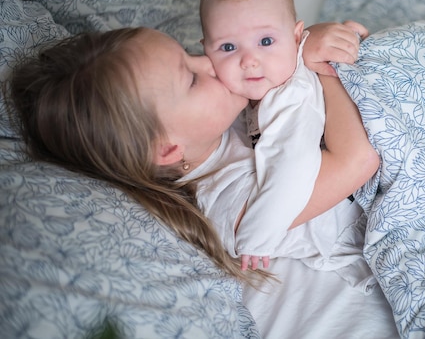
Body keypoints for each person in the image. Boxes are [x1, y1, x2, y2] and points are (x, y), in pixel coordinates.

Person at [8, 23, 379, 287]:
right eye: (192, 78)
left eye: (191, 54)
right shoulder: (232, 206)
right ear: (169, 149)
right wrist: (316, 67)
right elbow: (358, 160)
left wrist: (297, 45)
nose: (211, 63)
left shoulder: (219, 125)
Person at [198, 0, 371, 273]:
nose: (249, 61)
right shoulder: (259, 89)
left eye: (265, 41)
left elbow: (292, 165)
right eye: (227, 47)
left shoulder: (288, 96)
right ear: (205, 52)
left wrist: (256, 237)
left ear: (296, 37)